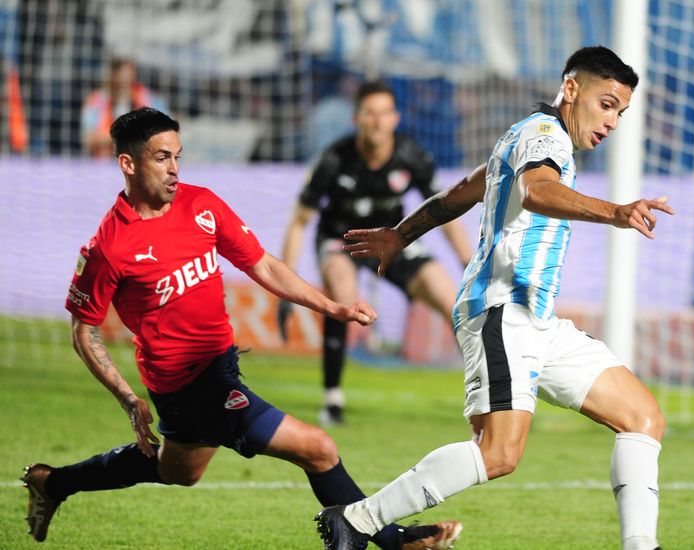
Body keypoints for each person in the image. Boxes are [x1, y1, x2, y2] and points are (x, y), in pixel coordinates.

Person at [22, 107, 461, 549]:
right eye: (161, 158)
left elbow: (264, 265)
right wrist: (126, 396)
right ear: (128, 164)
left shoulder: (202, 205)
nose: (174, 169)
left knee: (179, 471)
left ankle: (52, 483)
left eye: (177, 156)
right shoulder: (110, 246)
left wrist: (333, 306)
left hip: (220, 367)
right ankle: (394, 541)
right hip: (190, 387)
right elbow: (84, 330)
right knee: (319, 449)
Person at [316, 46, 675, 550]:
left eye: (621, 111)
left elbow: (463, 191)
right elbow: (536, 193)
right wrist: (615, 211)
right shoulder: (545, 136)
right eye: (607, 103)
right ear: (572, 89)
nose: (613, 121)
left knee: (643, 418)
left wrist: (400, 235)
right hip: (501, 310)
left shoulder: (526, 134)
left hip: (537, 320)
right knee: (498, 453)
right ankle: (357, 519)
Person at [279, 80, 472, 425]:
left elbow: (444, 210)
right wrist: (285, 285)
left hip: (391, 240)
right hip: (342, 240)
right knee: (343, 297)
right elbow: (298, 222)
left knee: (452, 300)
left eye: (385, 113)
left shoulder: (410, 155)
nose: (378, 121)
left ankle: (483, 393)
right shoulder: (335, 160)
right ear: (357, 118)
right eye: (370, 113)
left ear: (395, 118)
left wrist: (467, 263)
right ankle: (332, 399)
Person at [81, 58, 169, 157]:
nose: (121, 78)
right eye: (117, 70)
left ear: (133, 74)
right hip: (104, 163)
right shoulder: (96, 101)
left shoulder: (151, 101)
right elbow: (88, 140)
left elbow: (165, 137)